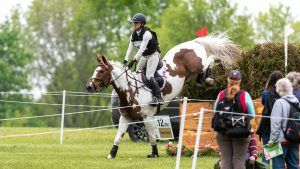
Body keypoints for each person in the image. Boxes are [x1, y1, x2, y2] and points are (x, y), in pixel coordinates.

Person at [214, 70, 256, 169]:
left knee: (225, 159)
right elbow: (252, 115)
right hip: (241, 131)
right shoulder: (245, 95)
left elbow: (215, 112)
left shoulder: (221, 94)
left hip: (223, 131)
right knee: (239, 159)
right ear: (239, 81)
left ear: (228, 80)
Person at [122, 13, 163, 106]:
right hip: (145, 56)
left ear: (142, 24)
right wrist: (125, 60)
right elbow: (130, 49)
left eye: (137, 23)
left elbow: (142, 49)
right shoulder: (133, 35)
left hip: (153, 55)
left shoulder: (147, 34)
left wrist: (133, 61)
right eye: (134, 23)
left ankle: (158, 97)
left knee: (149, 76)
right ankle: (140, 94)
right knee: (137, 73)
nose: (135, 24)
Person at [268, 78, 300, 169]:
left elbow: (276, 123)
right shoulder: (297, 102)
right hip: (294, 138)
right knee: (294, 165)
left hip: (280, 141)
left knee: (278, 166)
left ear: (279, 89)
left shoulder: (279, 103)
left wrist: (272, 139)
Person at [256, 71, 283, 164]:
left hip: (266, 124)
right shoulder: (283, 93)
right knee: (277, 152)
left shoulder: (265, 93)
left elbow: (264, 103)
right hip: (279, 125)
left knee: (266, 151)